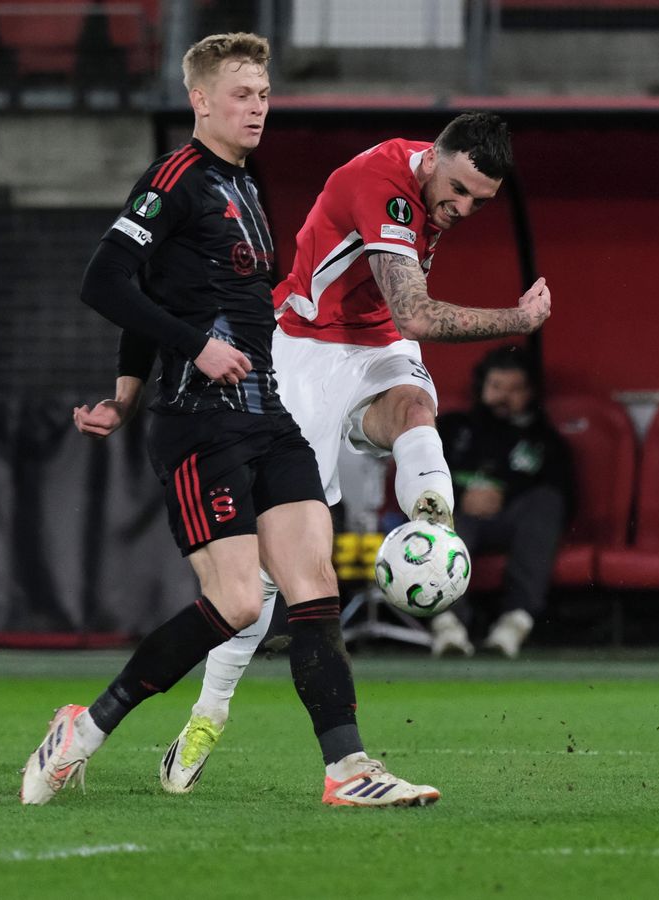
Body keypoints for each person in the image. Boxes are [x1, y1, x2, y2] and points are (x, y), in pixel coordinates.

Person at [20, 33, 438, 809]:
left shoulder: (244, 185)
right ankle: (85, 726)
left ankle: (348, 770)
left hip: (266, 415)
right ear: (201, 100)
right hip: (197, 422)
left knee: (313, 587)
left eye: (264, 95)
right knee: (240, 603)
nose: (257, 108)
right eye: (241, 95)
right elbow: (106, 280)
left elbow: (151, 292)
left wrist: (124, 392)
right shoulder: (174, 178)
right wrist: (182, 359)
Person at [157, 111, 553, 792]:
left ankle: (432, 527)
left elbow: (399, 324)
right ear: (433, 158)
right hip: (305, 348)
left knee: (416, 409)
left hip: (375, 345)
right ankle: (208, 713)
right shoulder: (384, 185)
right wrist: (520, 320)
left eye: (480, 202)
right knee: (272, 569)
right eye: (458, 190)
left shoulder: (437, 180)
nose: (463, 209)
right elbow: (416, 313)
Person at [430, 345, 575, 658]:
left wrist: (503, 496)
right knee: (439, 510)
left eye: (515, 389)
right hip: (461, 515)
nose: (503, 397)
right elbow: (421, 475)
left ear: (530, 392)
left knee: (546, 503)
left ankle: (515, 622)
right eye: (496, 387)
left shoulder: (545, 440)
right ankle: (448, 624)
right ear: (481, 387)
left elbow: (564, 495)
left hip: (514, 521)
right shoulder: (452, 429)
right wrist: (461, 496)